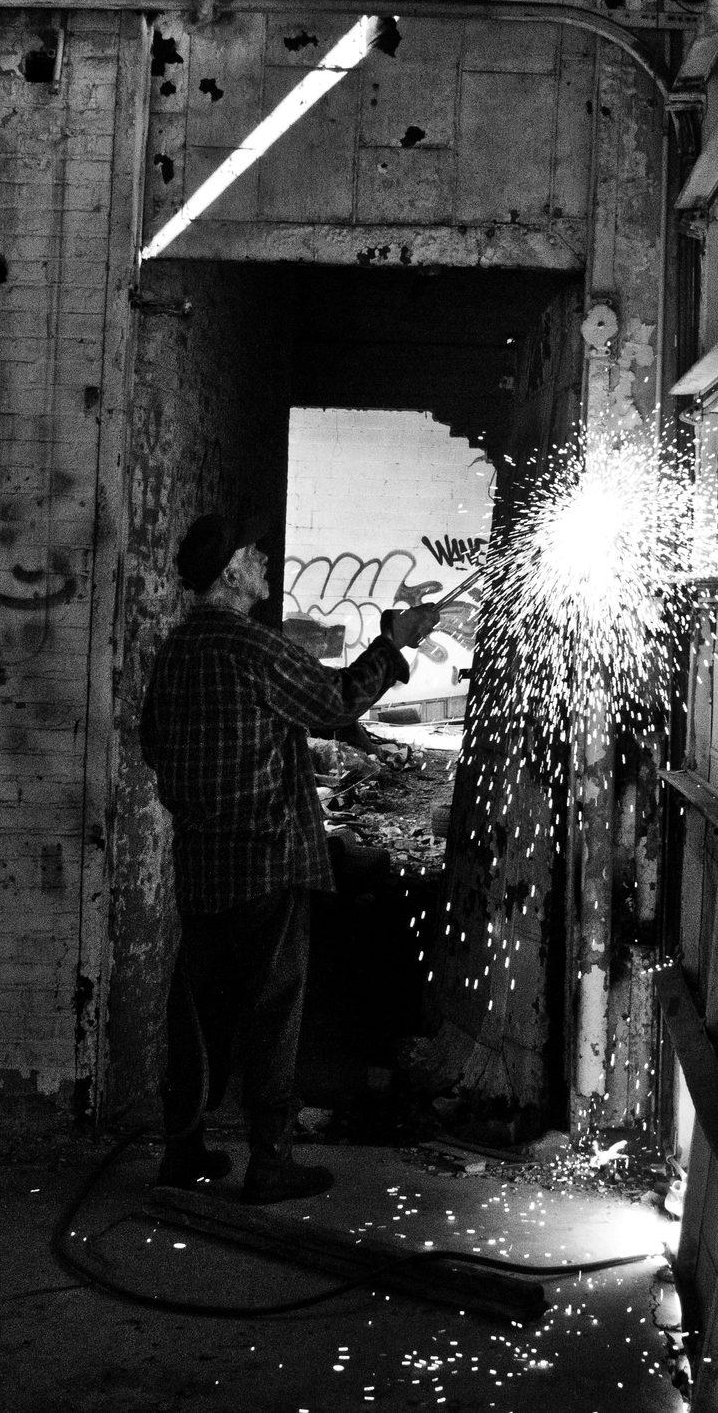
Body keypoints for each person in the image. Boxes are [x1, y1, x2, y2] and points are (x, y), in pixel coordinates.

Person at [137, 510, 441, 1204]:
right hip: (268, 861)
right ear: (229, 572)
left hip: (202, 863)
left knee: (197, 1012)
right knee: (274, 1010)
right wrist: (392, 643)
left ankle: (182, 1150)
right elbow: (333, 701)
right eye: (254, 554)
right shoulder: (252, 647)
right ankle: (270, 1159)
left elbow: (154, 744)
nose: (266, 562)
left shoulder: (176, 651)